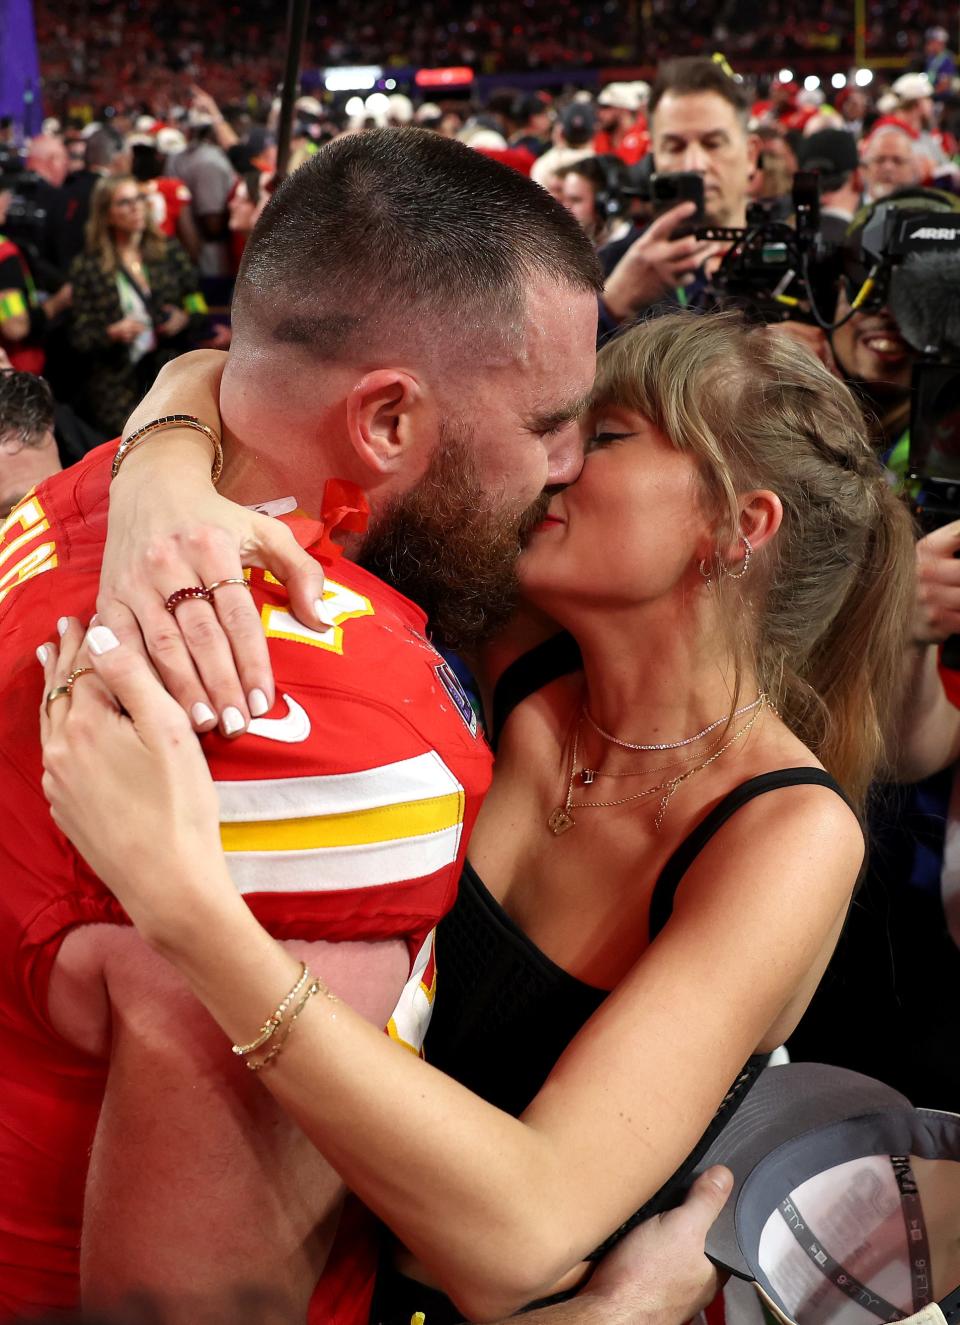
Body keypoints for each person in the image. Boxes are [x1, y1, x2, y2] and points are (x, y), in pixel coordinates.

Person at [42, 302, 914, 1324]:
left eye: (604, 437)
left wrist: (188, 913)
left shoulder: (789, 834)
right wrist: (157, 483)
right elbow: (233, 371)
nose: (553, 463)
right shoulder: (524, 644)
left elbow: (522, 1233)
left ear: (738, 525)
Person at [0, 126, 603, 1322]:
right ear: (385, 420)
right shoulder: (305, 723)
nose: (570, 462)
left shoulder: (98, 493)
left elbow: (201, 380)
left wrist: (166, 434)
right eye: (549, 420)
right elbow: (187, 1305)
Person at [68, 175, 207, 435]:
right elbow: (78, 337)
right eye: (124, 202)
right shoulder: (89, 266)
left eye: (139, 199)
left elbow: (196, 298)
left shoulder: (168, 250)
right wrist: (111, 333)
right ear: (106, 215)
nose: (135, 207)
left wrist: (186, 317)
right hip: (117, 386)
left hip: (168, 375)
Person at [861, 123, 922, 202]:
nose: (888, 168)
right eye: (880, 160)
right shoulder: (848, 211)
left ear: (913, 169)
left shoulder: (926, 211)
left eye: (898, 161)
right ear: (865, 169)